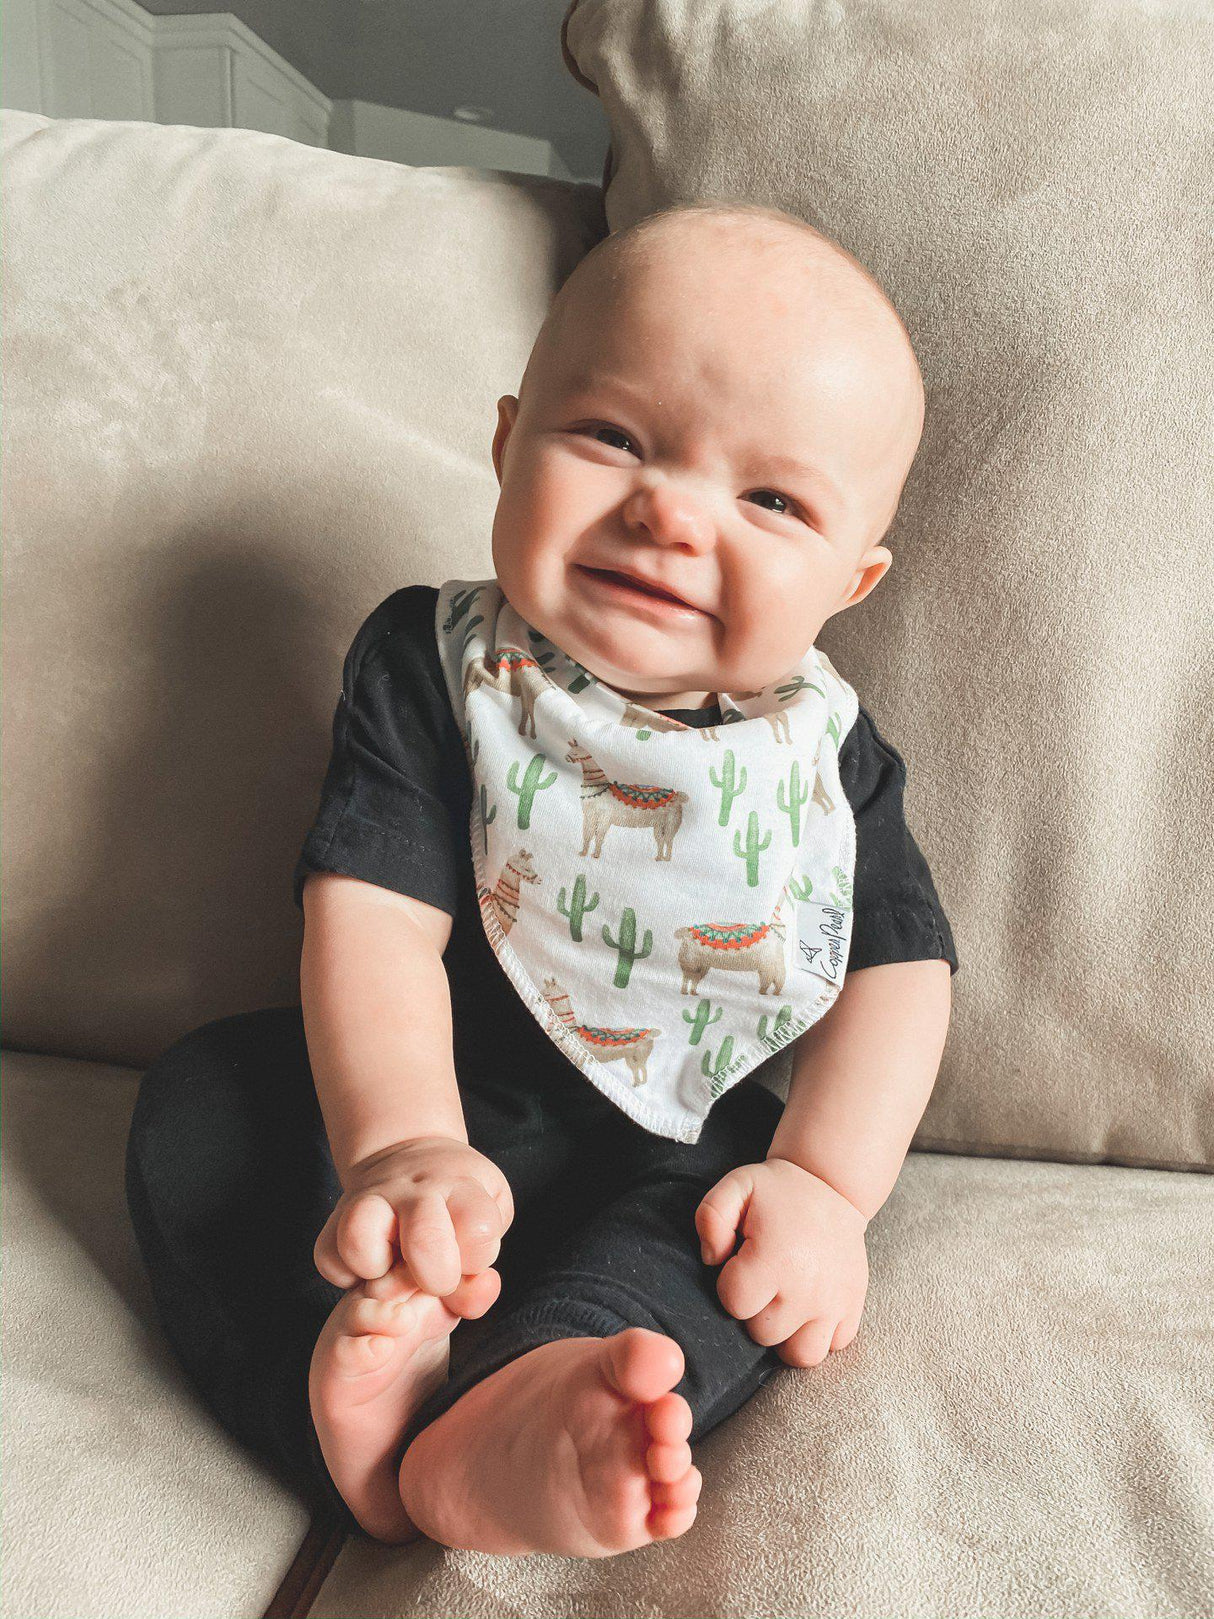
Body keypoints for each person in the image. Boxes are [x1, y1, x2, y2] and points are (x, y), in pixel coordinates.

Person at [126, 199, 957, 1558]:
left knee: (733, 1251)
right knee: (204, 1105)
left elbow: (900, 975)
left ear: (848, 580)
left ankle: (525, 1408)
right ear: (509, 444)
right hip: (434, 1109)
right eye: (613, 436)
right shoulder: (435, 666)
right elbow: (372, 918)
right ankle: (349, 1402)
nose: (668, 512)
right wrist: (400, 1147)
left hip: (678, 1132)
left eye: (770, 499)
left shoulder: (826, 762)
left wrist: (825, 1184)